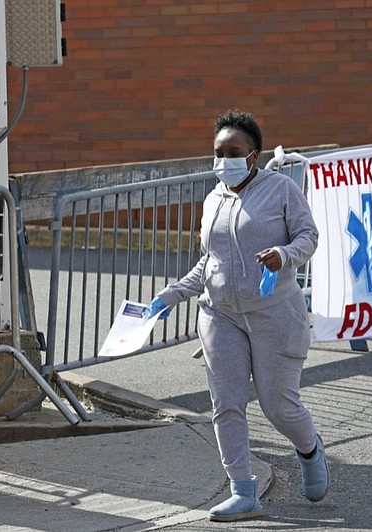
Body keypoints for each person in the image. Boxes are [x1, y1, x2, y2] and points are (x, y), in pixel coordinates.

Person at [147, 110, 330, 521]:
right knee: (226, 403)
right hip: (219, 315)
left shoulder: (281, 189)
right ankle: (243, 491)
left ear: (254, 155)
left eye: (234, 152)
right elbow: (211, 261)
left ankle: (309, 447)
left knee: (277, 404)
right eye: (218, 152)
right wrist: (171, 295)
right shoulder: (213, 198)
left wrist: (282, 255)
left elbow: (309, 237)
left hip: (274, 315)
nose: (224, 160)